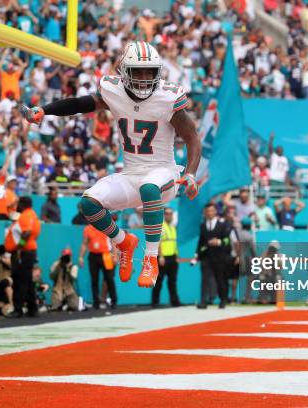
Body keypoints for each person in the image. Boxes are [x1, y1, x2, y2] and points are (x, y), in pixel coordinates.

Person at [23, 41, 201, 288]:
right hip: (131, 174)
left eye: (149, 71)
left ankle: (151, 258)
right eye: (137, 71)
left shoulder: (166, 97)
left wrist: (190, 174)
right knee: (88, 202)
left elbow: (192, 138)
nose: (144, 77)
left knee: (150, 187)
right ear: (124, 71)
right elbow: (79, 104)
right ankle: (123, 241)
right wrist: (44, 109)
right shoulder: (113, 91)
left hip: (164, 173)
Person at [4, 196, 41, 317]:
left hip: (23, 252)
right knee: (27, 281)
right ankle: (32, 307)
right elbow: (10, 212)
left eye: (18, 203)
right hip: (28, 251)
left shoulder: (26, 215)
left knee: (19, 281)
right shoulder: (31, 214)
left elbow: (26, 233)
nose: (17, 206)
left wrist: (19, 247)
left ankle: (18, 309)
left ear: (22, 204)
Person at [193, 203, 233, 309]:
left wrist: (219, 242)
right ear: (205, 213)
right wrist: (196, 254)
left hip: (220, 256)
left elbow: (228, 240)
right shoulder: (202, 225)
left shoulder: (223, 225)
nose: (209, 213)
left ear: (215, 211)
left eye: (211, 210)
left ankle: (223, 300)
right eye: (207, 211)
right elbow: (201, 242)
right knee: (205, 279)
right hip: (206, 257)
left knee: (220, 279)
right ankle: (203, 301)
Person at [79, 223, 118, 309]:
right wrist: (81, 257)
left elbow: (113, 242)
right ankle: (96, 302)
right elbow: (84, 243)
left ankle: (113, 301)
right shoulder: (88, 228)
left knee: (109, 279)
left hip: (106, 255)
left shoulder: (106, 225)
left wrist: (115, 256)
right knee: (94, 280)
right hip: (93, 256)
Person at [153, 207, 180, 307]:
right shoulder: (161, 227)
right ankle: (155, 302)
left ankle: (175, 301)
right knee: (159, 280)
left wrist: (176, 255)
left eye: (171, 214)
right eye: (167, 214)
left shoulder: (172, 227)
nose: (169, 215)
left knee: (172, 281)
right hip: (163, 257)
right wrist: (160, 256)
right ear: (164, 215)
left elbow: (174, 242)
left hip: (172, 257)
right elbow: (158, 242)